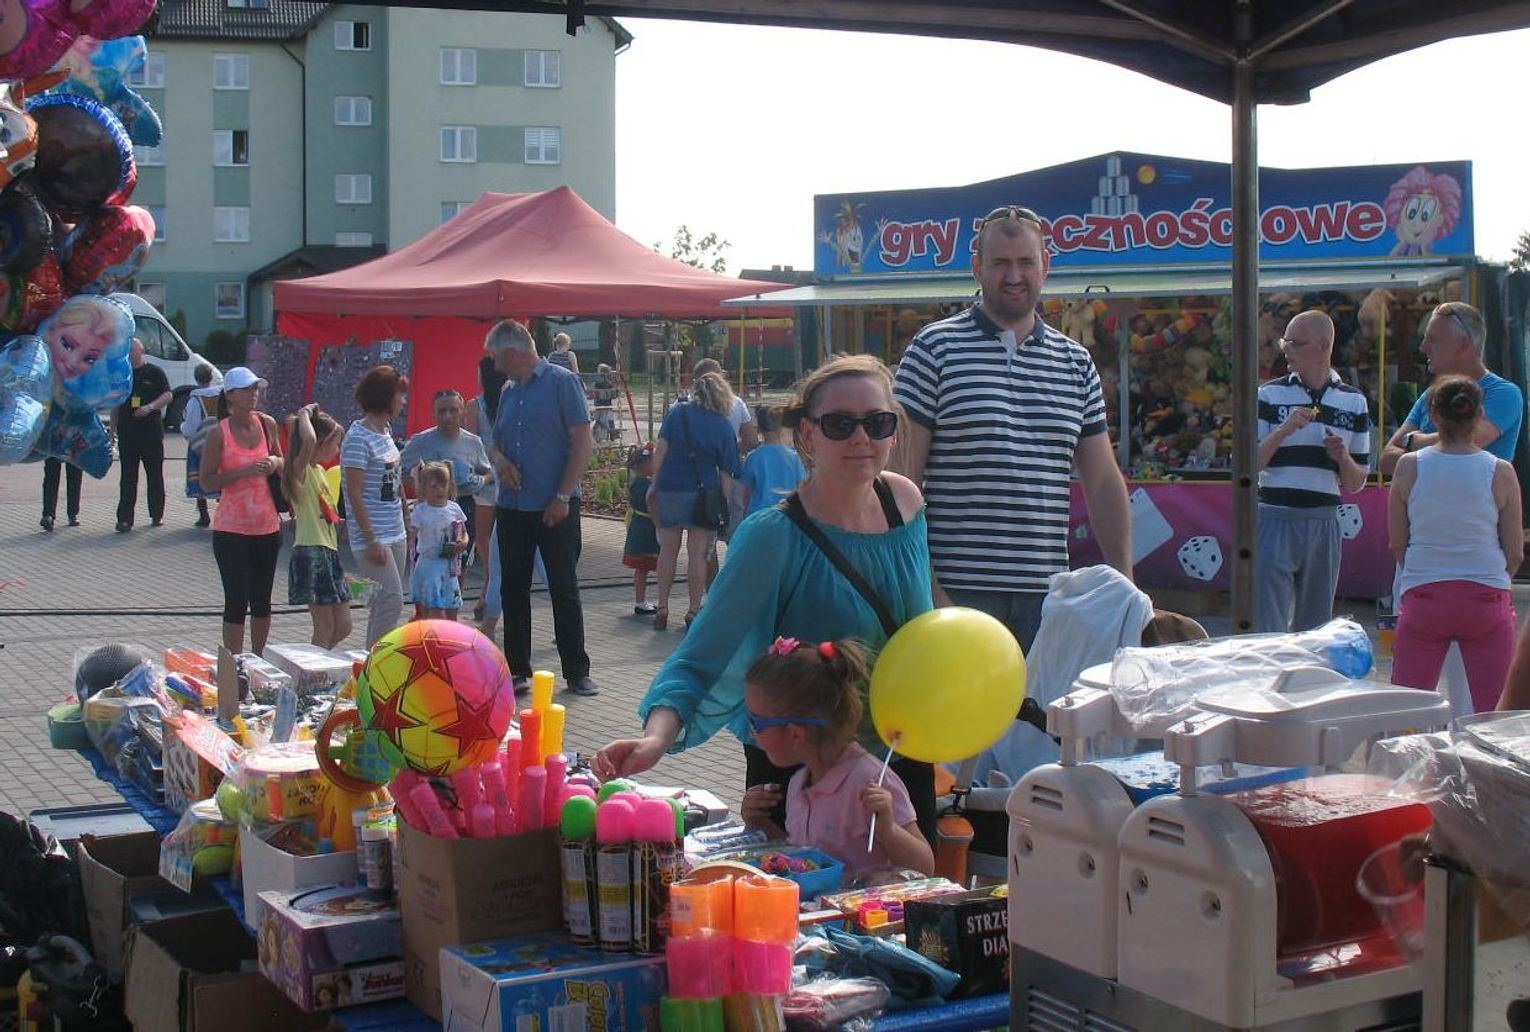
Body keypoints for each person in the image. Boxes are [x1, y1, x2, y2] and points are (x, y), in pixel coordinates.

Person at [594, 355, 939, 844]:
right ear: (808, 435)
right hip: (802, 771)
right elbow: (701, 656)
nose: (861, 438)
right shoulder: (773, 535)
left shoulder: (905, 502)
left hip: (898, 759)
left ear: (894, 433)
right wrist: (655, 739)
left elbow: (920, 626)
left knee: (913, 889)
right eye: (840, 424)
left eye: (877, 422)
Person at [893, 205, 1131, 653]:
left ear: (1046, 265)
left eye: (1026, 262)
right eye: (1000, 263)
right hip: (957, 593)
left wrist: (1125, 586)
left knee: (1043, 702)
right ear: (977, 268)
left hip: (1047, 596)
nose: (1014, 276)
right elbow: (901, 480)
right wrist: (928, 588)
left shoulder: (1076, 363)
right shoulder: (934, 348)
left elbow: (1102, 482)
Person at [740, 637, 934, 877]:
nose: (751, 732)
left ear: (795, 734)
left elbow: (925, 867)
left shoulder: (871, 782)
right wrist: (760, 825)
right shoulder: (799, 783)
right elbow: (804, 862)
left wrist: (889, 830)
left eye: (755, 723)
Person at [1387, 376, 1522, 712]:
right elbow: (1515, 551)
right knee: (1495, 712)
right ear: (1480, 415)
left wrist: (1423, 571)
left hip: (1425, 595)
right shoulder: (1501, 471)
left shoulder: (1409, 466)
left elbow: (1397, 543)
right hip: (1486, 597)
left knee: (1408, 709)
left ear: (1434, 415)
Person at [485, 319, 601, 698]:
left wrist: (563, 496)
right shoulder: (508, 391)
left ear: (512, 353)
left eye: (496, 357)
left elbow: (582, 442)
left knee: (562, 586)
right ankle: (518, 670)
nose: (494, 365)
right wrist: (500, 461)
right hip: (513, 505)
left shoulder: (562, 383)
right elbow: (494, 444)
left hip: (555, 505)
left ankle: (576, 671)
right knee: (513, 588)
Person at [1253, 309, 1371, 633]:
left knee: (1316, 627)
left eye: (1295, 343)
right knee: (1267, 623)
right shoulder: (1268, 394)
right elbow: (1247, 466)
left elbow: (1357, 482)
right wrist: (1284, 430)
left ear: (1323, 345)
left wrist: (1343, 457)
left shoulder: (1354, 401)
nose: (1286, 350)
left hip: (1323, 520)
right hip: (1274, 515)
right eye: (1285, 342)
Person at [648, 370, 743, 630]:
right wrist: (723, 504)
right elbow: (727, 473)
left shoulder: (677, 413)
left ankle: (662, 605)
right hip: (704, 496)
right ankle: (692, 610)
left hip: (670, 488)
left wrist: (654, 483)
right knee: (698, 555)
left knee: (667, 549)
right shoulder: (723, 426)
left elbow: (661, 450)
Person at [1379, 301, 1523, 473]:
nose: (1423, 348)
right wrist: (1434, 447)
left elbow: (1466, 443)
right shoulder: (1430, 395)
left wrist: (1413, 442)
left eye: (1433, 340)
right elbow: (1386, 461)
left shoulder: (1503, 393)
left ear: (1463, 344)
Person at [198, 366, 283, 655]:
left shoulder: (267, 424)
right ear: (230, 395)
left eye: (255, 388)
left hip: (267, 525)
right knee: (236, 600)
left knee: (262, 599)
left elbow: (282, 460)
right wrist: (243, 472)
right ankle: (234, 663)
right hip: (231, 529)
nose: (253, 394)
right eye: (247, 389)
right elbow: (206, 481)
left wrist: (274, 462)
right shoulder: (218, 433)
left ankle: (259, 657)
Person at [342, 365, 409, 646]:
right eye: (399, 394)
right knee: (392, 600)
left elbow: (394, 477)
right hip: (373, 535)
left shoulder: (385, 431)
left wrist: (406, 514)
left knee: (382, 601)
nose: (403, 401)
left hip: (396, 530)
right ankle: (378, 660)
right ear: (385, 396)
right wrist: (371, 540)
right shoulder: (358, 438)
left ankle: (371, 658)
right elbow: (354, 493)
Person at [283, 404, 351, 648]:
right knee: (325, 625)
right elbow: (308, 441)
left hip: (328, 550)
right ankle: (315, 666)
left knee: (344, 626)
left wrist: (341, 524)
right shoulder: (300, 470)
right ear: (321, 442)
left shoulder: (321, 471)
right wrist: (303, 414)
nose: (337, 450)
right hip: (311, 550)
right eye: (335, 443)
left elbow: (325, 511)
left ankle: (319, 660)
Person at [399, 388, 492, 557]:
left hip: (464, 506)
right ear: (434, 414)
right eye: (442, 411)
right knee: (429, 558)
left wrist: (479, 481)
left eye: (453, 410)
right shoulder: (421, 441)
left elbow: (488, 472)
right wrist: (422, 481)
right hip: (431, 508)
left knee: (459, 562)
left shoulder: (473, 442)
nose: (448, 416)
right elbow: (397, 472)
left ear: (462, 412)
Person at [110, 336, 173, 532]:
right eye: (127, 351)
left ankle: (156, 514)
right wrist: (112, 429)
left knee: (154, 475)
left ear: (142, 351)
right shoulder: (122, 374)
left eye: (133, 351)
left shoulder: (154, 372)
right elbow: (115, 404)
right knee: (128, 477)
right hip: (128, 434)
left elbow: (168, 395)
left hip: (150, 433)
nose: (130, 354)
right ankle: (124, 519)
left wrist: (150, 407)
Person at [410, 461, 469, 620]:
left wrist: (462, 544)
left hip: (449, 565)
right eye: (434, 486)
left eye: (443, 485)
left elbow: (464, 532)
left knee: (452, 607)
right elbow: (411, 535)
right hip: (429, 563)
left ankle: (450, 633)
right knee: (433, 608)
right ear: (424, 488)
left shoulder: (454, 508)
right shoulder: (421, 510)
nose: (440, 490)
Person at [738, 404, 807, 517]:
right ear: (780, 428)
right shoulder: (794, 457)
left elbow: (746, 494)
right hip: (788, 514)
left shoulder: (753, 457)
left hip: (759, 515)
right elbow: (802, 487)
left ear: (759, 430)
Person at [180, 364, 221, 528]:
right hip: (222, 441)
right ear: (211, 377)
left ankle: (204, 515)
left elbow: (191, 426)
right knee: (222, 473)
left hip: (202, 442)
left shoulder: (195, 400)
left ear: (196, 379)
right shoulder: (222, 396)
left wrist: (184, 430)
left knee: (199, 474)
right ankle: (223, 512)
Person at [623, 443, 660, 615]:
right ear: (644, 464)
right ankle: (641, 600)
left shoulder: (636, 482)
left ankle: (641, 600)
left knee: (642, 568)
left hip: (640, 525)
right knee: (644, 566)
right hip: (646, 528)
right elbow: (652, 505)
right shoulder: (644, 485)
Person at [40, 457, 81, 531]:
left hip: (74, 450)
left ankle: (72, 514)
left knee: (74, 476)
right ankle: (48, 515)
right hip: (54, 449)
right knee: (51, 476)